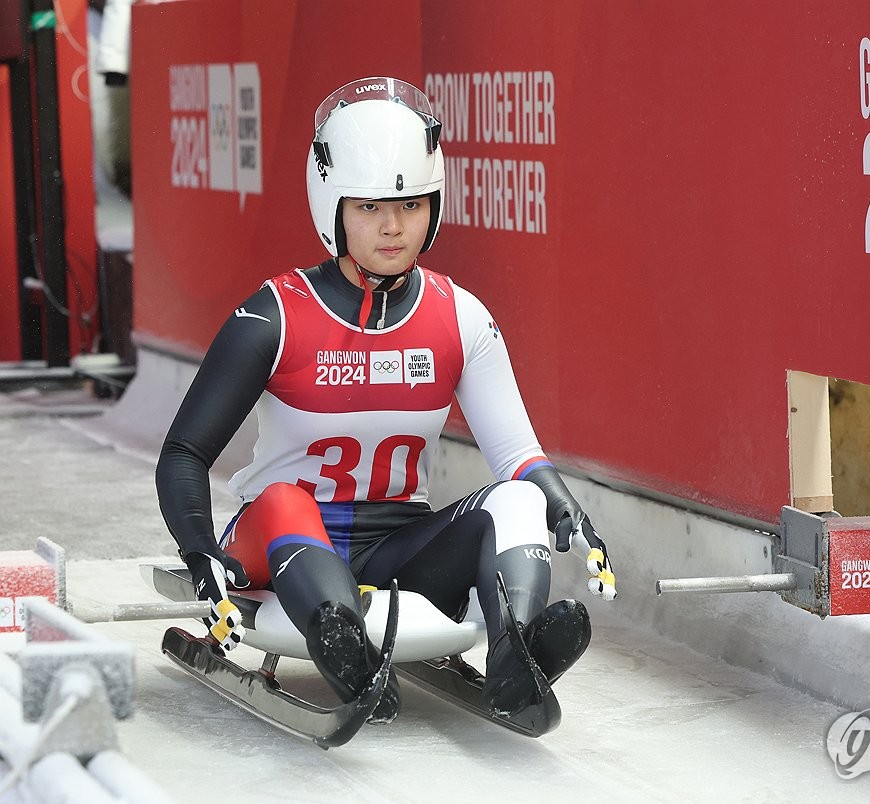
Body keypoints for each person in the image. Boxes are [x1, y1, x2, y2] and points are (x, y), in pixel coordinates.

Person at [156, 76, 615, 724]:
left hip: (398, 551)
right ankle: (345, 648)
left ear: (435, 203)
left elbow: (516, 455)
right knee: (286, 500)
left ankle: (518, 657)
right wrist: (198, 547)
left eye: (411, 205)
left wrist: (560, 500)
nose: (394, 227)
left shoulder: (460, 317)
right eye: (369, 207)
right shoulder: (275, 317)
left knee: (520, 500)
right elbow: (183, 452)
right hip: (282, 545)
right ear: (333, 206)